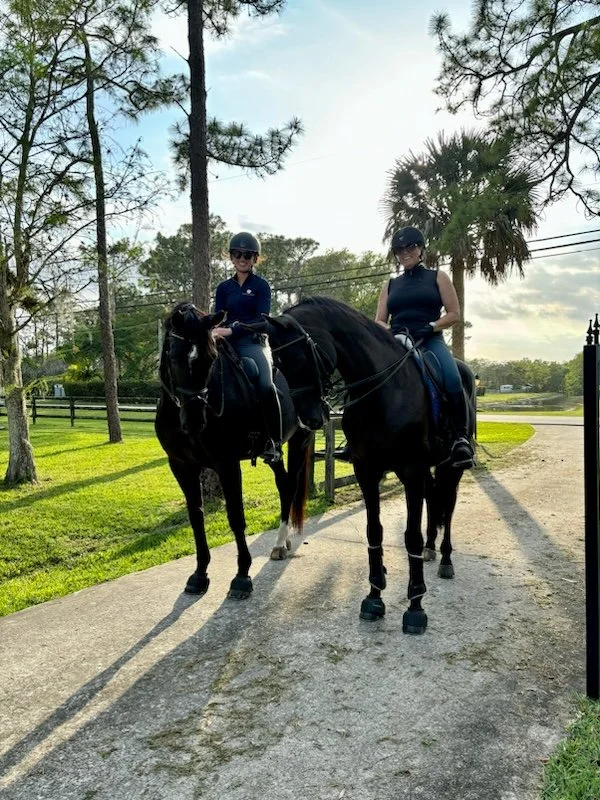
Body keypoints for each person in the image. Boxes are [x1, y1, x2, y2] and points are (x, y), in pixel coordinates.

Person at [375, 225, 474, 469]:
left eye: (410, 247)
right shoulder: (390, 285)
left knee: (452, 377)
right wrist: (388, 333)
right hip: (397, 342)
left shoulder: (438, 277)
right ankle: (357, 437)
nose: (405, 253)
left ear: (421, 250)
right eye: (399, 249)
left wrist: (431, 327)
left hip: (430, 339)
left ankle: (460, 437)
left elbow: (454, 314)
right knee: (370, 376)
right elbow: (379, 320)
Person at [211, 231, 282, 462]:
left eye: (248, 255)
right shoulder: (223, 288)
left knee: (266, 384)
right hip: (225, 343)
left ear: (255, 258)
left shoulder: (261, 286)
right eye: (237, 254)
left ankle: (273, 441)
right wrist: (213, 330)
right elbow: (218, 317)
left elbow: (262, 321)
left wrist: (232, 329)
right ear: (231, 257)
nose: (242, 258)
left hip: (253, 343)